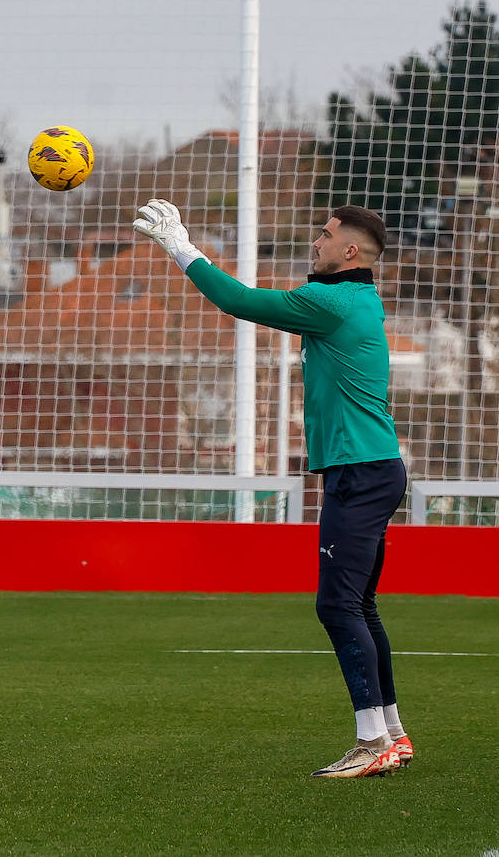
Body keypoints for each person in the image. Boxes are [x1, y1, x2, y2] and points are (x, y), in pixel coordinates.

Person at [134, 200, 412, 779]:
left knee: (337, 607)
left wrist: (180, 246)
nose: (317, 241)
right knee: (359, 604)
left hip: (361, 473)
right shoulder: (354, 297)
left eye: (326, 235)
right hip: (370, 468)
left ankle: (373, 742)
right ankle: (391, 733)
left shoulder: (331, 302)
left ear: (350, 252)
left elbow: (239, 302)